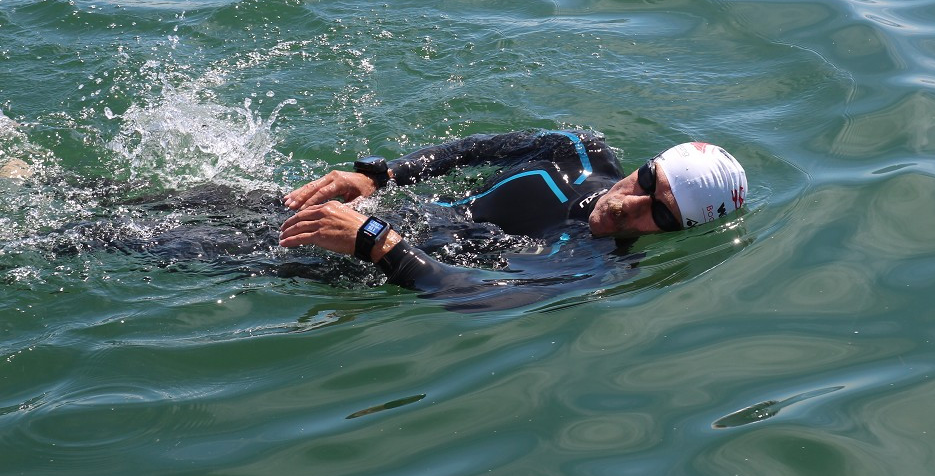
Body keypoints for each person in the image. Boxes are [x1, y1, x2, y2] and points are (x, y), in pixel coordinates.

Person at [278, 130, 747, 308]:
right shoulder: (575, 152)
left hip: (356, 264)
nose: (632, 204)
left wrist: (376, 244)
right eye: (647, 180)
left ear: (680, 233)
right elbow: (474, 150)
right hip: (367, 218)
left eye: (661, 214)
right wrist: (383, 178)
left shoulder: (591, 268)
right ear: (647, 162)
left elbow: (478, 297)